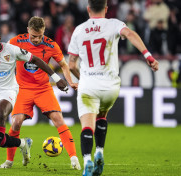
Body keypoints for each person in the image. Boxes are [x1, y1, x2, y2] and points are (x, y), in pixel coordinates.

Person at [67, 0, 159, 175]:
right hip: (110, 86)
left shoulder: (79, 30)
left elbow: (71, 65)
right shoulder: (114, 24)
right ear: (106, 9)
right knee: (102, 115)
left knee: (87, 125)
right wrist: (148, 57)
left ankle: (87, 160)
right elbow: (130, 34)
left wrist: (83, 78)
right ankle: (100, 151)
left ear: (88, 9)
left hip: (89, 86)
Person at [0, 23, 68, 171]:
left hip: (7, 91)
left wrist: (55, 77)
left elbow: (35, 60)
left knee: (1, 112)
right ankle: (23, 143)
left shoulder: (12, 50)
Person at [0, 16, 81, 170]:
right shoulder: (16, 41)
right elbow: (3, 58)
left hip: (43, 88)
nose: (36, 39)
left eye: (40, 36)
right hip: (23, 88)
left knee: (58, 119)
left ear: (44, 31)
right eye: (33, 36)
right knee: (16, 122)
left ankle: (74, 158)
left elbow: (63, 64)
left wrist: (69, 81)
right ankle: (9, 161)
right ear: (28, 30)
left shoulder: (51, 45)